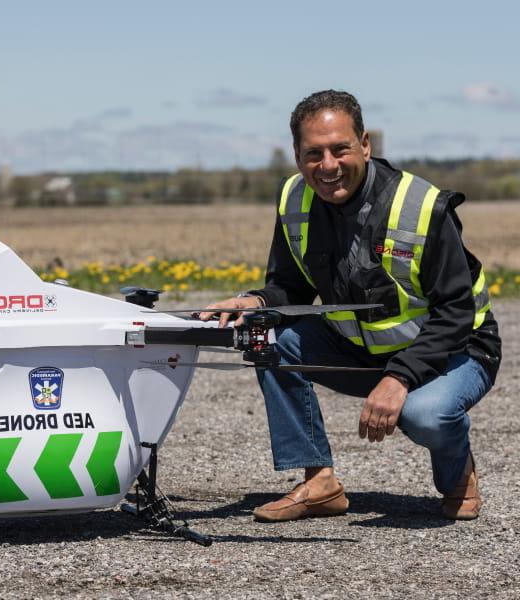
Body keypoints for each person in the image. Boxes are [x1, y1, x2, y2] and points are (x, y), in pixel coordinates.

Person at [200, 90, 501, 521]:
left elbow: (457, 311)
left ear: (365, 145)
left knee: (425, 415)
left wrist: (400, 377)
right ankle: (319, 482)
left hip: (456, 350)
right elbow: (291, 287)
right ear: (296, 155)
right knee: (267, 336)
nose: (327, 165)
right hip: (360, 352)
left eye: (340, 149)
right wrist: (256, 300)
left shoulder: (420, 207)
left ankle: (457, 476)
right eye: (313, 153)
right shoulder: (294, 199)